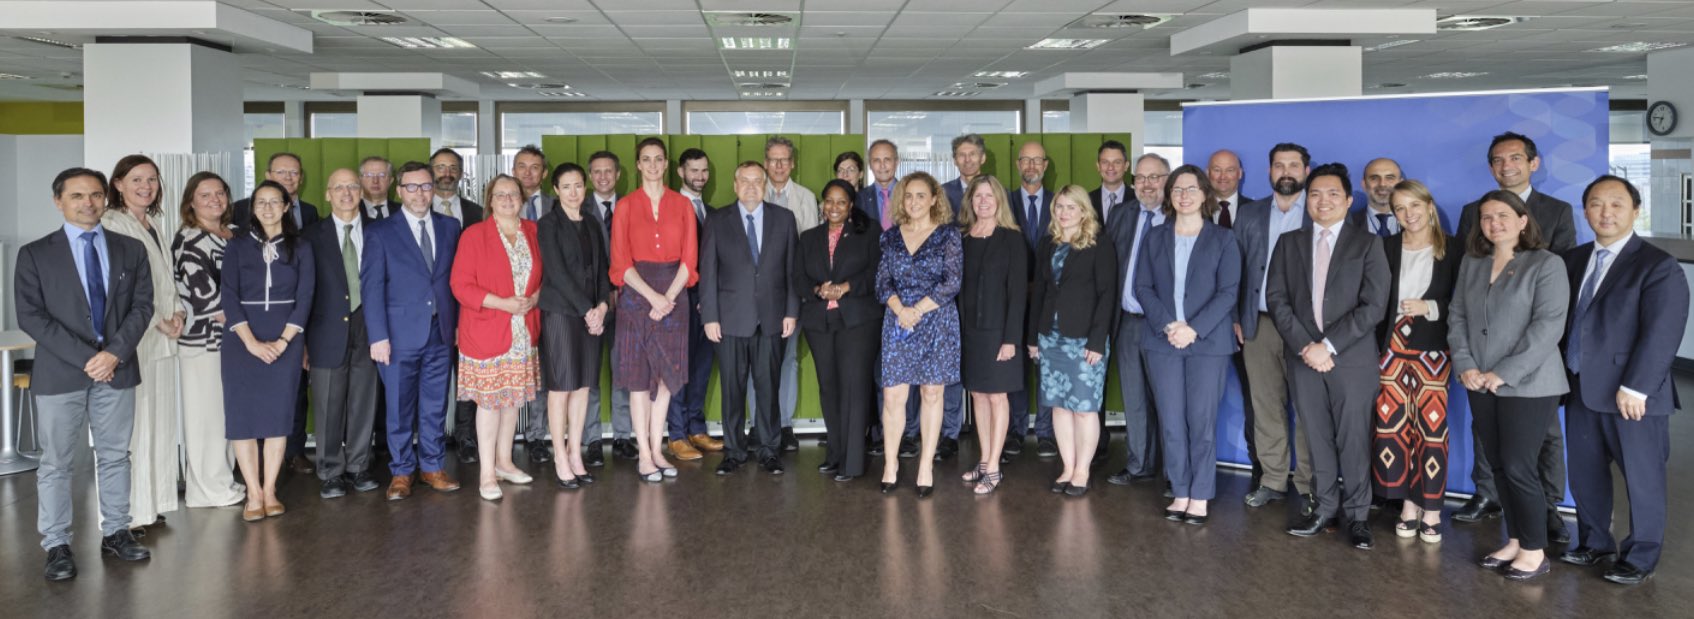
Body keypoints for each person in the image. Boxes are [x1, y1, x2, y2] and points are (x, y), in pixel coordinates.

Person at [18, 167, 155, 580]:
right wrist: (87, 357)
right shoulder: (35, 254)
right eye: (77, 196)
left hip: (117, 369)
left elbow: (142, 307)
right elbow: (31, 316)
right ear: (58, 201)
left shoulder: (130, 249)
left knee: (115, 455)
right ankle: (57, 544)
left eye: (95, 195)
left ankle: (116, 531)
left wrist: (113, 354)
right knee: (57, 462)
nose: (88, 203)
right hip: (62, 373)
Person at [1559, 175, 1689, 586]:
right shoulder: (1573, 259)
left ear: (1636, 210)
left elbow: (1662, 332)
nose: (1606, 212)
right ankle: (1595, 541)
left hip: (1631, 394)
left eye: (1616, 204)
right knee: (1585, 473)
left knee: (1641, 477)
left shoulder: (1656, 264)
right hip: (1580, 386)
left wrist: (1637, 388)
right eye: (1596, 204)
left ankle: (1641, 555)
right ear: (1585, 212)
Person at [1451, 132, 1577, 538]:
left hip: (1532, 364)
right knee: (1494, 447)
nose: (1507, 166)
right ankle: (1493, 502)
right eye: (1498, 160)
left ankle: (1548, 512)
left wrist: (1513, 366)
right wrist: (1468, 363)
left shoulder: (1554, 216)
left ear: (1533, 163)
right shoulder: (1474, 221)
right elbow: (1461, 306)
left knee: (1541, 442)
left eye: (1516, 158)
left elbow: (1552, 306)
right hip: (1481, 364)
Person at [1268, 163, 1390, 550]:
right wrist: (1307, 346)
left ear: (1349, 200)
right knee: (1316, 436)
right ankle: (1322, 509)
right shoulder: (1289, 243)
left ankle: (1357, 516)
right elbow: (1277, 300)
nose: (1323, 201)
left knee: (1353, 439)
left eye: (1333, 194)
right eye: (1316, 194)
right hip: (1303, 359)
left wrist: (1329, 346)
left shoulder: (1368, 244)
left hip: (1350, 360)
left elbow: (1374, 306)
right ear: (1307, 201)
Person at [1136, 165, 1240, 524]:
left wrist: (1193, 329)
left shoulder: (1223, 239)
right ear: (1169, 195)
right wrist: (1169, 325)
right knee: (1170, 420)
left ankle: (1200, 495)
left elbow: (1228, 293)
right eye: (1177, 189)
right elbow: (1142, 288)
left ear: (1204, 195)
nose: (1183, 195)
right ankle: (1180, 490)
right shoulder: (1154, 237)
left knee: (1201, 421)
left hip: (1207, 342)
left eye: (1191, 189)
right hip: (1162, 341)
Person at [363, 161, 463, 500]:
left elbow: (455, 282)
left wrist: (460, 326)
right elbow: (371, 287)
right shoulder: (379, 232)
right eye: (411, 187)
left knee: (435, 405)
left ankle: (432, 467)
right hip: (397, 335)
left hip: (441, 332)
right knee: (399, 406)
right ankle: (402, 471)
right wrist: (377, 336)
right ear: (399, 191)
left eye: (425, 186)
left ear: (433, 189)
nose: (419, 193)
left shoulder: (450, 226)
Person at [1370, 180, 1461, 542]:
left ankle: (1433, 508)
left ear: (1429, 206)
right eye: (1400, 209)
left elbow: (1469, 303)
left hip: (1433, 350)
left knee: (1431, 430)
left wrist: (1431, 307)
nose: (1409, 215)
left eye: (1414, 206)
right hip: (1390, 348)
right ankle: (1408, 504)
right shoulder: (1385, 247)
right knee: (1393, 428)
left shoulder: (1454, 250)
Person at [222, 180, 317, 521]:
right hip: (240, 342)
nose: (266, 208)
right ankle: (253, 491)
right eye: (259, 202)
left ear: (287, 205)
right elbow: (229, 296)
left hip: (285, 342)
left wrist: (283, 342)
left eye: (274, 201)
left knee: (278, 417)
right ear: (251, 207)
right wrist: (250, 342)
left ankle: (272, 489)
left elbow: (305, 298)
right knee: (242, 419)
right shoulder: (235, 246)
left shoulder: (301, 247)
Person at [101, 155, 183, 533]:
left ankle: (154, 503)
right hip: (137, 336)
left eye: (151, 180)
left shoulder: (153, 224)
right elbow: (121, 289)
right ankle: (130, 512)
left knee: (160, 422)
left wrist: (179, 313)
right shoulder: (111, 224)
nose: (145, 186)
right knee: (136, 425)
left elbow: (167, 279)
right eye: (136, 180)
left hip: (164, 336)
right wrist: (157, 321)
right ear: (118, 184)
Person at [609, 138, 698, 482]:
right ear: (638, 165)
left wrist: (669, 297)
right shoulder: (626, 206)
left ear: (666, 165)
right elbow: (620, 262)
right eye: (645, 159)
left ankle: (658, 449)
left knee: (665, 380)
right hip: (636, 296)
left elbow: (690, 259)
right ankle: (643, 453)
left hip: (674, 295)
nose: (652, 165)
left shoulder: (682, 205)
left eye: (658, 159)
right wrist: (652, 297)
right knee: (638, 379)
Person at [1233, 143, 1316, 512]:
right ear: (1269, 172)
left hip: (1306, 328)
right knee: (1265, 404)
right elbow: (1235, 269)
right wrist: (1237, 316)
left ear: (1306, 170)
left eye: (1293, 165)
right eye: (1279, 165)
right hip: (1259, 324)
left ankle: (1309, 483)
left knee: (1309, 407)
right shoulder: (1249, 215)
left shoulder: (1320, 212)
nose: (1286, 171)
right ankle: (1273, 479)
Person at [703, 161, 799, 476]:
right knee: (733, 388)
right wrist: (711, 316)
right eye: (744, 180)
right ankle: (734, 451)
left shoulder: (784, 219)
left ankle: (769, 450)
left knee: (768, 387)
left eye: (757, 181)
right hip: (729, 321)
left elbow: (791, 271)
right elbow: (708, 273)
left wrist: (791, 311)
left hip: (772, 318)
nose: (751, 186)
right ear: (734, 184)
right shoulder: (718, 220)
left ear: (766, 185)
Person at [452, 174, 543, 501]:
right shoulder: (474, 235)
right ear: (490, 200)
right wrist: (503, 303)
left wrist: (535, 297)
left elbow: (543, 276)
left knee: (512, 401)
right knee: (489, 404)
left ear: (522, 199)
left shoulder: (532, 232)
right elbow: (461, 286)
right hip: (487, 331)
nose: (507, 200)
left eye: (513, 194)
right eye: (500, 194)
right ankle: (487, 473)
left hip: (522, 332)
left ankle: (505, 462)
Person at [876, 171, 962, 497]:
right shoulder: (890, 237)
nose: (913, 202)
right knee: (894, 396)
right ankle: (890, 464)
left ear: (934, 199)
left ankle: (926, 464)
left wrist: (917, 311)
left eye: (920, 196)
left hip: (936, 321)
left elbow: (951, 282)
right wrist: (901, 311)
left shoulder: (948, 236)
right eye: (908, 196)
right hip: (898, 322)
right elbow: (882, 283)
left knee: (931, 394)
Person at [1027, 186, 1116, 497]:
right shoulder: (1048, 243)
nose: (1063, 212)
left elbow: (1107, 295)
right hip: (1050, 338)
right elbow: (1039, 291)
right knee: (1058, 408)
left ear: (1083, 211)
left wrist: (1097, 340)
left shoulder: (1099, 244)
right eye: (1059, 207)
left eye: (1070, 207)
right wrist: (1033, 337)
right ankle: (1067, 467)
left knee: (1084, 408)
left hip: (1083, 340)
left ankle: (1082, 471)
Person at [303, 169, 382, 499]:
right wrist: (302, 341)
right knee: (328, 404)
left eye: (352, 186)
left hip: (370, 326)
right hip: (325, 332)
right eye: (339, 187)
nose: (346, 193)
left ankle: (359, 466)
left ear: (361, 192)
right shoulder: (309, 236)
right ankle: (331, 471)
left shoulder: (380, 232)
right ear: (327, 194)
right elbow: (302, 292)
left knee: (364, 401)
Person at [796, 179, 881, 481]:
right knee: (829, 388)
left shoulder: (868, 232)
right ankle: (835, 454)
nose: (834, 207)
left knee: (854, 390)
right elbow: (798, 277)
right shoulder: (808, 238)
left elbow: (878, 272)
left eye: (841, 202)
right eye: (829, 201)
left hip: (858, 321)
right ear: (822, 204)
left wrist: (847, 287)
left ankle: (853, 463)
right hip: (820, 322)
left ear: (851, 206)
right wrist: (818, 289)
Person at [170, 172, 247, 509]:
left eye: (220, 193)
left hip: (235, 342)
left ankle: (223, 480)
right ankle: (207, 489)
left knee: (228, 416)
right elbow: (209, 302)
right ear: (191, 201)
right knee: (207, 419)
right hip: (204, 343)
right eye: (205, 195)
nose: (214, 200)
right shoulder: (190, 241)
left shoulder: (235, 235)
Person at [538, 163, 611, 489]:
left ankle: (575, 453)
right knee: (561, 388)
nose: (573, 192)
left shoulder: (592, 222)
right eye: (566, 186)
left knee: (583, 386)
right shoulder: (548, 224)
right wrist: (587, 310)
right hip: (561, 314)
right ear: (556, 189)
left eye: (578, 185)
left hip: (591, 315)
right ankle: (559, 457)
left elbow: (601, 271)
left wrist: (603, 307)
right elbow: (555, 272)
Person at [957, 175, 1026, 494]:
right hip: (969, 331)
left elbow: (1017, 293)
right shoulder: (962, 239)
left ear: (999, 199)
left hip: (1000, 332)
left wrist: (1011, 338)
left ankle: (995, 468)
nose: (983, 201)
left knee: (998, 397)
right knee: (978, 396)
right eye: (977, 196)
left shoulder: (1011, 238)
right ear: (970, 201)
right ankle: (984, 461)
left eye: (989, 195)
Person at [1104, 153, 1171, 484]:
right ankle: (1138, 464)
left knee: (1170, 400)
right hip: (1129, 321)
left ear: (1167, 180)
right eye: (1141, 178)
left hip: (1167, 326)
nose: (1147, 184)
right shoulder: (1121, 214)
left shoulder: (1179, 216)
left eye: (1154, 177)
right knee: (1134, 398)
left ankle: (1175, 472)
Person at [433, 147, 491, 465]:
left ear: (460, 172)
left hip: (472, 308)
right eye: (440, 166)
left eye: (452, 167)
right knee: (434, 377)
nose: (446, 172)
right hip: (430, 309)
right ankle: (433, 435)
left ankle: (467, 436)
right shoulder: (415, 211)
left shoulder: (477, 212)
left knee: (469, 377)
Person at [667, 148, 725, 462]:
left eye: (704, 171)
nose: (700, 177)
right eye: (693, 171)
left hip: (706, 303)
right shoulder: (671, 208)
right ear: (680, 172)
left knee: (702, 367)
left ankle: (696, 427)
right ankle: (676, 434)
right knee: (678, 368)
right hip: (677, 300)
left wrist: (709, 298)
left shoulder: (712, 212)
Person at [763, 136, 816, 451]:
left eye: (784, 160)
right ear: (766, 163)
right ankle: (760, 425)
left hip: (792, 295)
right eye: (773, 159)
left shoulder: (806, 198)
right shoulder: (752, 193)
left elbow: (809, 249)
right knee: (759, 361)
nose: (779, 166)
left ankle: (783, 425)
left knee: (788, 361)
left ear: (792, 163)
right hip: (758, 296)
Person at [583, 149, 635, 464]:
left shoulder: (630, 207)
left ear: (618, 175)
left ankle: (622, 437)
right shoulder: (576, 208)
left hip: (627, 303)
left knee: (624, 372)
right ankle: (590, 440)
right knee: (589, 375)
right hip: (588, 308)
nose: (603, 177)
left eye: (609, 171)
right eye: (597, 171)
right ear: (591, 177)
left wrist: (620, 290)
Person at [1007, 141, 1054, 460]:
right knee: (1016, 368)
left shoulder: (1059, 203)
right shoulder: (1004, 203)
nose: (1032, 166)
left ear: (1046, 165)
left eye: (1037, 160)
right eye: (1026, 160)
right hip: (1014, 299)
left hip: (1052, 300)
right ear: (1017, 164)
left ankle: (1047, 433)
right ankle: (1016, 430)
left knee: (1049, 367)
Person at [1347, 158, 1404, 237]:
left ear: (1400, 184)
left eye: (1390, 178)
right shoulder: (1346, 224)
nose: (1382, 184)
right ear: (1364, 185)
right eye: (1374, 178)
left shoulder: (1416, 221)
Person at [859, 139, 900, 231]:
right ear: (870, 164)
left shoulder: (909, 194)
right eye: (877, 160)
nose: (882, 165)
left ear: (896, 162)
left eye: (887, 160)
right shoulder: (860, 198)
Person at [1207, 149, 1253, 228]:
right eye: (1217, 170)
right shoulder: (1196, 210)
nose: (1223, 177)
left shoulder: (1255, 210)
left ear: (1240, 174)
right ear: (1208, 173)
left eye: (1230, 170)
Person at [1088, 140, 1129, 226]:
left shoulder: (1138, 200)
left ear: (1126, 166)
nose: (1110, 167)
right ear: (1098, 166)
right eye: (1105, 162)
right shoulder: (1086, 201)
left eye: (1117, 162)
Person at [940, 133, 985, 211]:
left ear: (982, 158)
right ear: (955, 161)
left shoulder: (998, 192)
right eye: (962, 155)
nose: (967, 160)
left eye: (972, 154)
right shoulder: (943, 192)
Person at [358, 156, 401, 221]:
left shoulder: (402, 211)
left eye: (382, 175)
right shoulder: (352, 210)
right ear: (360, 180)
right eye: (369, 175)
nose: (375, 181)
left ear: (391, 181)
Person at [513, 144, 550, 221]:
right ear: (514, 172)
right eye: (522, 167)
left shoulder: (557, 205)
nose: (527, 173)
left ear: (544, 173)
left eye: (534, 167)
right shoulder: (503, 204)